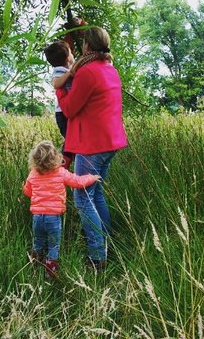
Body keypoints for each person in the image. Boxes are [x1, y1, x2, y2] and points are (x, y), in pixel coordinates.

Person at [56, 26, 128, 268]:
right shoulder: (110, 69)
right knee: (95, 193)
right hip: (110, 142)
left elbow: (69, 109)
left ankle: (97, 256)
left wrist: (59, 89)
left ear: (87, 46)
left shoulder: (87, 73)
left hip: (92, 144)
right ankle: (108, 243)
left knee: (82, 198)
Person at [22, 139, 100, 280]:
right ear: (56, 157)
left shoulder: (33, 174)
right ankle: (50, 272)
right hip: (53, 218)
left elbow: (27, 192)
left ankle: (33, 266)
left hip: (37, 217)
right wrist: (92, 177)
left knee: (38, 242)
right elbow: (77, 182)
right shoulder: (60, 172)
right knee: (53, 245)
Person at [43, 41, 75, 169]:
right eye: (71, 52)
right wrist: (68, 74)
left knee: (71, 141)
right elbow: (56, 84)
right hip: (62, 114)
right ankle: (60, 167)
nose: (73, 54)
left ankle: (62, 166)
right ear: (68, 57)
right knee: (71, 141)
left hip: (67, 112)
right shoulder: (59, 71)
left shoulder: (67, 68)